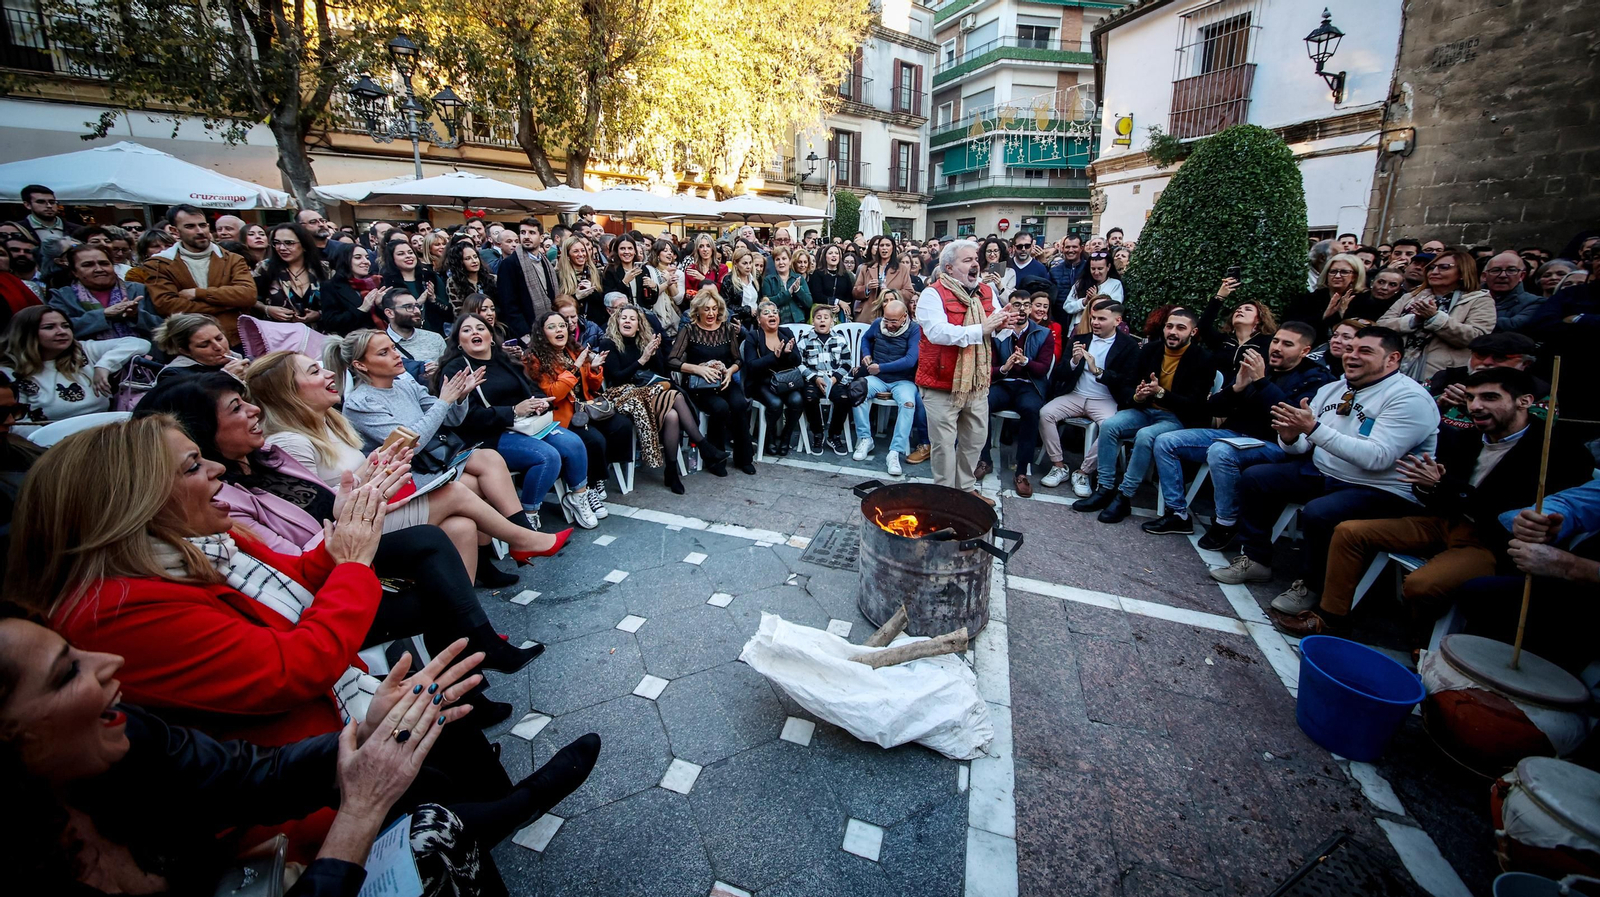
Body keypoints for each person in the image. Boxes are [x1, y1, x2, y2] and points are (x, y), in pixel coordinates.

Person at [0, 610, 603, 897]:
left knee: (428, 808)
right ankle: (518, 803)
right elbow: (284, 665)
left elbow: (249, 775)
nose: (110, 666)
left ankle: (514, 803)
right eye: (65, 674)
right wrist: (360, 812)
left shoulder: (128, 735)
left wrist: (363, 739)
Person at [134, 374, 552, 673]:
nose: (253, 410)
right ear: (204, 430)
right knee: (443, 523)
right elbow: (288, 563)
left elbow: (329, 503)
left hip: (350, 535)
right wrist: (355, 513)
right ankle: (506, 574)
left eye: (247, 401)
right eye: (236, 408)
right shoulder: (226, 493)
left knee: (459, 527)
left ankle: (474, 656)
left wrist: (361, 493)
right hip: (326, 575)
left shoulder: (269, 457)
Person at [1280, 367, 1595, 636]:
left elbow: (1508, 514)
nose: (1476, 406)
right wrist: (1428, 487)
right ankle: (1331, 617)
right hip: (1444, 523)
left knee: (1422, 585)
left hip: (1491, 543)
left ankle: (1421, 642)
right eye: (1470, 398)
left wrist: (1447, 488)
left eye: (1490, 398)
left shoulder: (1556, 450)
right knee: (1349, 531)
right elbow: (1437, 493)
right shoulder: (1465, 438)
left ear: (1524, 401)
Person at [250, 347, 571, 584]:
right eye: (315, 372)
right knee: (460, 490)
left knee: (464, 518)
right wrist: (444, 401)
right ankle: (524, 538)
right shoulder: (355, 407)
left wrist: (457, 399)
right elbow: (317, 511)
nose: (330, 374)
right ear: (362, 364)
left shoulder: (349, 413)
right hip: (367, 515)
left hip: (395, 484)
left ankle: (469, 619)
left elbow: (449, 419)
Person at [1210, 327, 1442, 613]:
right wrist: (1292, 436)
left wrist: (1313, 429)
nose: (1352, 356)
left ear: (1393, 359)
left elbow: (1378, 458)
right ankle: (1256, 560)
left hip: (1381, 489)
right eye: (1351, 349)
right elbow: (1300, 447)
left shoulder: (1408, 398)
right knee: (1257, 478)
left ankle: (1312, 585)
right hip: (1326, 473)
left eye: (1365, 351)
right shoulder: (1334, 388)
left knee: (1320, 512)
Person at [1143, 321, 1333, 546]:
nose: (1277, 348)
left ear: (1305, 351)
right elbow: (1213, 408)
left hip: (1275, 445)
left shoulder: (1315, 379)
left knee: (1222, 451)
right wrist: (1237, 388)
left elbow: (1289, 418)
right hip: (1233, 434)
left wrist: (1261, 381)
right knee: (1166, 441)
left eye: (1287, 344)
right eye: (1275, 341)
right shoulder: (1260, 368)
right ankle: (1177, 514)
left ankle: (1226, 523)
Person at [1073, 308, 1215, 523]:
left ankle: (1125, 496)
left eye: (1180, 328)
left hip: (1176, 418)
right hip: (1145, 410)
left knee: (1145, 436)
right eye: (1169, 326)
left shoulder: (1203, 359)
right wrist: (1138, 397)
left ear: (1193, 333)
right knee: (1110, 425)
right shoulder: (1151, 350)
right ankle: (1105, 488)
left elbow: (1195, 405)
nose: (1173, 332)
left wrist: (1161, 393)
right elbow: (1128, 384)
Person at [1454, 478, 1600, 671]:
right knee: (1480, 594)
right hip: (1569, 586)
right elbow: (1572, 503)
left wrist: (1568, 565)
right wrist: (1541, 521)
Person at [915, 239, 1013, 500]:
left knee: (974, 440)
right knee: (944, 446)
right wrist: (982, 328)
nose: (975, 265)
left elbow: (994, 334)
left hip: (976, 382)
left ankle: (966, 490)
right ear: (948, 267)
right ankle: (945, 496)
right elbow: (937, 333)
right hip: (940, 382)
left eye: (976, 260)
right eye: (967, 260)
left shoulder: (985, 292)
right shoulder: (932, 294)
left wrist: (1005, 324)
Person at [597, 304, 720, 492]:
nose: (627, 321)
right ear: (617, 321)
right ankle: (703, 446)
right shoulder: (609, 343)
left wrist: (654, 355)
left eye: (632, 319)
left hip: (651, 392)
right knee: (675, 395)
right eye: (624, 318)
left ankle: (670, 471)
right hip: (624, 396)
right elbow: (617, 377)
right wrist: (642, 360)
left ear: (639, 324)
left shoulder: (644, 341)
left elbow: (661, 374)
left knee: (672, 416)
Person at [1, 305, 148, 422]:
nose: (62, 332)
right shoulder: (8, 372)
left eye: (65, 326)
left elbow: (138, 343)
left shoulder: (83, 350)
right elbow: (19, 425)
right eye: (49, 327)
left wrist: (104, 366)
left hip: (101, 433)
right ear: (27, 333)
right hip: (49, 443)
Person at [970, 291, 1052, 496]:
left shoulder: (1043, 334)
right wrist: (1005, 368)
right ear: (1009, 308)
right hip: (1004, 383)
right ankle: (984, 459)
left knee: (1031, 410)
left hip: (1028, 385)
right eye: (1017, 305)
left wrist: (1025, 362)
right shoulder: (998, 334)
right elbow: (988, 369)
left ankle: (1022, 471)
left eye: (1026, 304)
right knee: (982, 403)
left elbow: (1043, 369)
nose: (1022, 309)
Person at [143, 204, 257, 346]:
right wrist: (224, 306)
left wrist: (199, 293)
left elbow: (248, 295)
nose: (200, 231)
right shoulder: (158, 264)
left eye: (203, 225)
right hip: (188, 342)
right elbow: (167, 305)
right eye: (190, 226)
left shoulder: (233, 259)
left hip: (233, 339)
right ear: (174, 231)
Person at [669, 288, 756, 475]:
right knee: (720, 407)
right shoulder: (689, 330)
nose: (711, 313)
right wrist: (697, 368)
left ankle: (744, 457)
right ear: (698, 310)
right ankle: (715, 458)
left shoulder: (726, 329)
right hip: (700, 385)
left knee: (740, 404)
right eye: (706, 309)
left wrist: (729, 371)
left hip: (723, 380)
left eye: (714, 309)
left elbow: (737, 360)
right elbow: (672, 360)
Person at [1377, 247, 1496, 381]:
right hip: (1394, 368)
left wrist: (1435, 319)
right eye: (1431, 267)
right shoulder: (1412, 296)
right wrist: (1413, 321)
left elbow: (1477, 338)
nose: (1434, 272)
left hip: (1441, 376)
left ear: (1463, 272)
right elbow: (1381, 325)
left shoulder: (1479, 300)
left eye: (1444, 267)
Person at [851, 296, 923, 477]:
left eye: (893, 321)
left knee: (908, 404)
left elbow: (910, 360)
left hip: (903, 380)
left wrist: (880, 367)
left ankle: (895, 452)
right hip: (878, 377)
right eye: (886, 320)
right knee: (857, 391)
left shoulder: (915, 330)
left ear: (904, 316)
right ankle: (865, 438)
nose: (889, 324)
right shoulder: (877, 324)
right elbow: (865, 339)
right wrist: (866, 354)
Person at [1425, 332, 1546, 432]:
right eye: (1481, 355)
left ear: (1525, 363)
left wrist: (1470, 408)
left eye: (1500, 357)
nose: (1487, 362)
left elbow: (1531, 436)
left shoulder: (1539, 391)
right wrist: (1438, 406)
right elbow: (1408, 409)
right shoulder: (1444, 378)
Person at [47, 243, 162, 340]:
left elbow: (163, 327)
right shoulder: (62, 296)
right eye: (88, 265)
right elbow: (58, 332)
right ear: (74, 272)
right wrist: (104, 315)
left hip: (146, 360)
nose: (99, 269)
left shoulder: (139, 289)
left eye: (104, 263)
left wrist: (136, 316)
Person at [743, 299, 807, 460]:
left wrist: (788, 353)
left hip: (785, 382)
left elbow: (797, 361)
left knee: (797, 400)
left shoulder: (786, 333)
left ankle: (785, 437)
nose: (772, 315)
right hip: (761, 382)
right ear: (759, 320)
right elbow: (751, 366)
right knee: (775, 403)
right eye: (766, 313)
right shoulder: (753, 336)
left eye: (775, 312)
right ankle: (769, 437)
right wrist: (775, 356)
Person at [796, 305, 854, 455]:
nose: (822, 320)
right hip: (813, 379)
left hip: (835, 379)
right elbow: (798, 363)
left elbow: (847, 362)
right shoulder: (805, 340)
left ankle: (834, 435)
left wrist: (835, 378)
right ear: (813, 321)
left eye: (826, 317)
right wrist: (814, 378)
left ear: (832, 321)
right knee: (809, 398)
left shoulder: (839, 339)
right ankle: (817, 433)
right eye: (818, 317)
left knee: (844, 399)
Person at [1196, 276, 1275, 377]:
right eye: (1238, 309)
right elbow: (1203, 326)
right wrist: (1220, 296)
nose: (1240, 310)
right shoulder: (1224, 340)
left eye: (1248, 309)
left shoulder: (1267, 342)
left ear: (1259, 319)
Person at [1284, 253, 1369, 345]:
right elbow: (1292, 326)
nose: (1337, 276)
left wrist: (1342, 315)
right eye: (1333, 271)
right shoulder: (1309, 298)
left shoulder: (1363, 300)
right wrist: (1324, 316)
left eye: (1344, 272)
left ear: (1354, 277)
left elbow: (1365, 333)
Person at [255, 222, 327, 325]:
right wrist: (267, 309)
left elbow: (339, 303)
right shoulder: (265, 267)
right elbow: (250, 299)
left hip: (319, 334)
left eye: (289, 243)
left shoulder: (323, 268)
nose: (282, 248)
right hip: (279, 333)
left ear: (304, 245)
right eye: (277, 243)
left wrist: (319, 314)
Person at [497, 218, 558, 339]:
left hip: (549, 327)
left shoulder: (545, 262)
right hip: (526, 332)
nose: (526, 236)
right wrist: (525, 335)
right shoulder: (510, 264)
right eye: (523, 232)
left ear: (541, 238)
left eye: (532, 233)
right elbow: (508, 305)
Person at [152, 313, 248, 382]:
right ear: (185, 351)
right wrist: (225, 378)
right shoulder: (174, 375)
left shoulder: (236, 359)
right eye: (204, 345)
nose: (218, 347)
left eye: (219, 338)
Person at [381, 238, 449, 334]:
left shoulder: (429, 276)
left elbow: (449, 311)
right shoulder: (387, 282)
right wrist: (417, 304)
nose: (408, 256)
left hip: (435, 333)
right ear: (392, 258)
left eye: (410, 252)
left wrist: (434, 299)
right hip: (404, 336)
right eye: (401, 254)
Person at [319, 244, 386, 337]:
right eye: (358, 258)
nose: (366, 262)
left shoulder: (376, 282)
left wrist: (380, 306)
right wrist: (362, 309)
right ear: (344, 260)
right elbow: (331, 323)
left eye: (367, 257)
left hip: (382, 337)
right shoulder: (331, 286)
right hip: (354, 343)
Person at [379, 287, 448, 365]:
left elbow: (448, 371)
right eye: (408, 307)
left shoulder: (435, 338)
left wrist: (437, 372)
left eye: (417, 306)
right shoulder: (378, 344)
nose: (417, 311)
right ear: (390, 313)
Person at [1060, 251, 1124, 334]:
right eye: (1093, 269)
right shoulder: (1080, 283)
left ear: (1108, 267)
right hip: (1079, 328)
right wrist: (1084, 302)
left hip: (1103, 331)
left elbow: (1116, 307)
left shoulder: (1115, 284)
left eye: (1100, 268)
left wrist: (1095, 299)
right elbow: (1067, 306)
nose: (1096, 272)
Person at [1481, 249, 1544, 331]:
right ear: (1485, 276)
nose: (1503, 275)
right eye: (1496, 270)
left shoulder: (1535, 302)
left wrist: (1473, 320)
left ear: (1521, 276)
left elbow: (1514, 325)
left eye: (1511, 270)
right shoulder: (1468, 298)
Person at [853, 236, 911, 323]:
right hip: (868, 315)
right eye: (881, 245)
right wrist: (867, 288)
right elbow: (855, 292)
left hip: (892, 315)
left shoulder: (901, 269)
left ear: (893, 248)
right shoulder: (865, 268)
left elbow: (909, 293)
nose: (884, 248)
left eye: (887, 245)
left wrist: (891, 293)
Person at [442, 240, 496, 323]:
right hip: (469, 324)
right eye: (468, 258)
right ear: (460, 262)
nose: (474, 261)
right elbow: (459, 311)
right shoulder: (453, 282)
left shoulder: (493, 279)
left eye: (475, 256)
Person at [599, 236, 656, 315]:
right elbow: (608, 298)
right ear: (617, 251)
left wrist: (653, 288)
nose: (626, 252)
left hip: (641, 314)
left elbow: (650, 301)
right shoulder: (610, 270)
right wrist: (624, 282)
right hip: (620, 314)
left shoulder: (642, 269)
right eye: (622, 248)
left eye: (630, 248)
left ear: (635, 251)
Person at [555, 235, 604, 325]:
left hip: (596, 325)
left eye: (583, 250)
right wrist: (576, 297)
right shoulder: (559, 276)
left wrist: (591, 291)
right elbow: (557, 306)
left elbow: (603, 303)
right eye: (576, 251)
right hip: (572, 325)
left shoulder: (596, 273)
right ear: (568, 255)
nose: (581, 254)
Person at [761, 246, 814, 325]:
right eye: (777, 259)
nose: (781, 262)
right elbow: (767, 303)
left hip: (798, 321)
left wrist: (798, 290)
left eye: (784, 258)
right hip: (777, 323)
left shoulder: (798, 278)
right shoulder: (768, 280)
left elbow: (809, 303)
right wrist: (788, 293)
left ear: (789, 261)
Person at [809, 243, 855, 322]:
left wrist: (839, 307)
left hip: (840, 315)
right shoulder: (817, 274)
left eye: (836, 253)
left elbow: (849, 297)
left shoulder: (845, 275)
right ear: (825, 257)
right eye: (830, 253)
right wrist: (837, 302)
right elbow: (817, 295)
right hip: (821, 314)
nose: (834, 255)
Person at [648, 239, 685, 334]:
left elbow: (678, 299)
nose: (669, 253)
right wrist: (665, 283)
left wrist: (670, 280)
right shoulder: (650, 270)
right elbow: (651, 295)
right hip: (655, 315)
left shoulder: (678, 273)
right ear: (657, 254)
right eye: (665, 251)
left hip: (672, 316)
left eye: (671, 251)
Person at [719, 247, 761, 323]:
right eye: (744, 263)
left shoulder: (755, 278)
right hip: (739, 321)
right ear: (735, 264)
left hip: (756, 322)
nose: (748, 266)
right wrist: (747, 310)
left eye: (750, 262)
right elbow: (726, 305)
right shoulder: (729, 280)